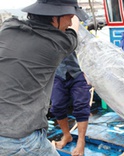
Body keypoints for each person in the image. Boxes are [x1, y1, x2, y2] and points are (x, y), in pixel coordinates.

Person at [0, 0, 88, 155]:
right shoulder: (57, 44)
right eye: (69, 16)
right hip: (18, 139)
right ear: (55, 17)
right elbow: (73, 30)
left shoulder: (8, 28)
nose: (69, 22)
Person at [50, 52, 91, 155]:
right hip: (57, 73)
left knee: (81, 105)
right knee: (57, 106)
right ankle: (67, 135)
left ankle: (81, 141)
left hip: (78, 72)